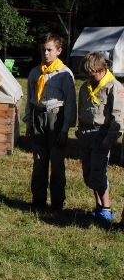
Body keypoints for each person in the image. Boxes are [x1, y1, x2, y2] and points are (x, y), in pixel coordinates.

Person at [23, 32, 77, 212]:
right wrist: (29, 124)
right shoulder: (35, 72)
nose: (46, 53)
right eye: (43, 50)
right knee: (39, 160)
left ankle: (57, 201)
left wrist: (65, 128)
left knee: (57, 161)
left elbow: (70, 102)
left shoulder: (64, 74)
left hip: (56, 118)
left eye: (49, 50)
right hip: (38, 117)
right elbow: (30, 99)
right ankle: (38, 199)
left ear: (58, 51)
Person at [76, 52, 124, 221]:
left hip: (101, 134)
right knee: (89, 172)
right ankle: (98, 206)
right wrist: (80, 129)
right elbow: (82, 109)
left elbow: (118, 116)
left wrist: (109, 140)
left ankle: (106, 209)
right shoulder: (86, 87)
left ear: (102, 70)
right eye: (87, 75)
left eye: (92, 74)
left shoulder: (113, 87)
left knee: (99, 171)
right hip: (86, 133)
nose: (89, 78)